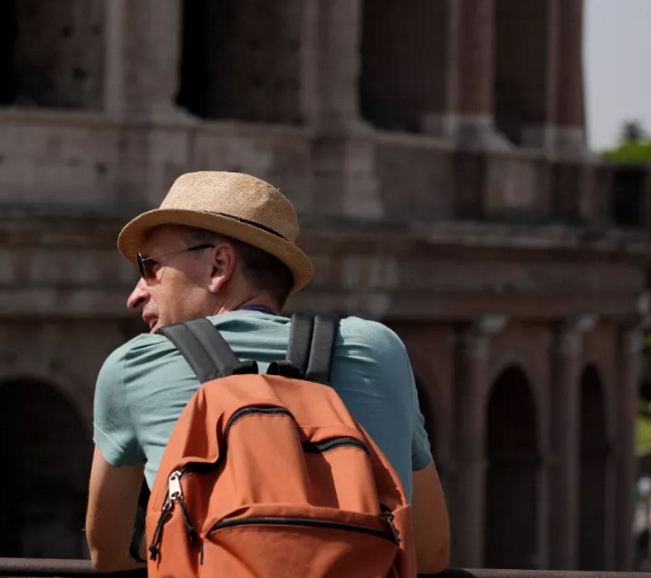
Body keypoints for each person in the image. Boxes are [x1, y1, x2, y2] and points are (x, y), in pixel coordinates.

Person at [84, 170, 450, 573]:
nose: (136, 294)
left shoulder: (134, 364)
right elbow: (432, 552)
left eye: (151, 267)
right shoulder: (379, 349)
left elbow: (109, 555)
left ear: (219, 265)